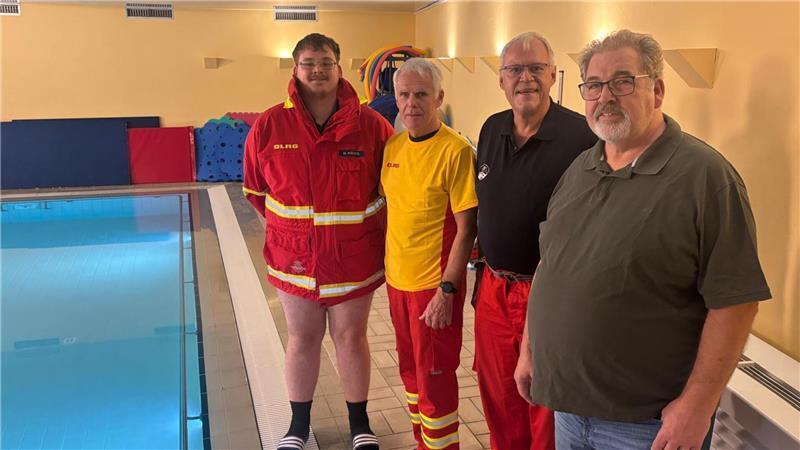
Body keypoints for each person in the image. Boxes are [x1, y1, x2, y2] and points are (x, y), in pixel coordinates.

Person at [515, 29, 771, 450]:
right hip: (568, 411)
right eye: (593, 85)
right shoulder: (580, 169)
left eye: (622, 81)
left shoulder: (705, 177)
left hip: (645, 428)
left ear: (658, 90)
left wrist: (697, 407)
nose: (605, 96)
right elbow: (550, 264)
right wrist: (530, 350)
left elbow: (736, 302)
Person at [242, 33, 393, 450]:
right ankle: (298, 426)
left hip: (354, 259)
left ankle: (360, 424)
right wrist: (293, 234)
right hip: (294, 260)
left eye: (326, 62)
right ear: (295, 69)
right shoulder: (270, 125)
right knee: (302, 339)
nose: (318, 70)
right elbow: (255, 191)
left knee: (351, 338)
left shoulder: (371, 126)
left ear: (339, 69)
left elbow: (394, 186)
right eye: (308, 63)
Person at [473, 32, 597, 450]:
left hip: (548, 294)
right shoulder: (491, 128)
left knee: (545, 406)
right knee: (498, 399)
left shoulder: (582, 137)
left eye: (535, 69)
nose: (525, 78)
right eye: (514, 70)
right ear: (501, 79)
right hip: (493, 290)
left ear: (553, 75)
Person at [381, 58, 478, 450]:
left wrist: (446, 291)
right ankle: (422, 443)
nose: (411, 103)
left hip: (432, 288)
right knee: (410, 376)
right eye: (404, 94)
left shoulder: (455, 151)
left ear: (439, 97)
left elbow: (467, 229)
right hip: (397, 284)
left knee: (435, 380)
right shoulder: (393, 147)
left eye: (421, 94)